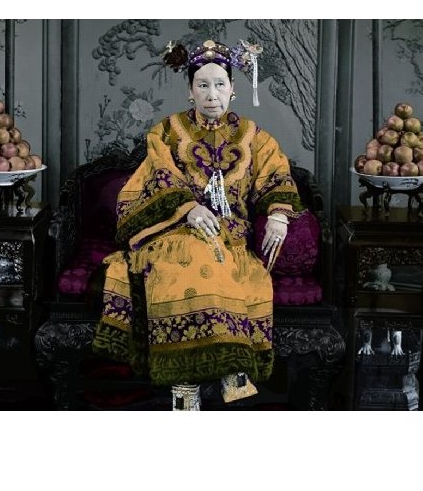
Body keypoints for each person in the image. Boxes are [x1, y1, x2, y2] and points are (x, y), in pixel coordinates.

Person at [92, 39, 303, 410]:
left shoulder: (254, 136)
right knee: (187, 255)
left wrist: (278, 215)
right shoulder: (167, 132)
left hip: (229, 234)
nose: (211, 94)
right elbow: (157, 176)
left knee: (223, 258)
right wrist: (188, 209)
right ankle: (189, 385)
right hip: (174, 229)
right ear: (190, 91)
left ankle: (216, 371)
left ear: (233, 89)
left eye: (219, 84)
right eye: (202, 85)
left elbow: (275, 174)